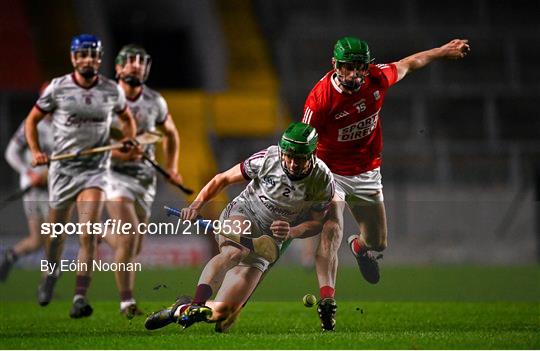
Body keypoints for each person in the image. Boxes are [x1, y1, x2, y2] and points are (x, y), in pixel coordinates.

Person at [302, 36, 471, 330]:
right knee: (332, 227)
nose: (354, 74)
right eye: (347, 68)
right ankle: (328, 301)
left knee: (378, 241)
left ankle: (360, 248)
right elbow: (302, 143)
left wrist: (443, 51)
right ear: (335, 66)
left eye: (359, 67)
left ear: (367, 67)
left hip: (367, 171)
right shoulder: (320, 100)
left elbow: (410, 63)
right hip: (329, 171)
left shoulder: (377, 78)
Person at [144, 122, 334, 333]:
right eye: (288, 155)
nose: (292, 163)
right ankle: (197, 302)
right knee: (235, 251)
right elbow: (222, 179)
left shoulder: (322, 180)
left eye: (299, 158)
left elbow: (317, 223)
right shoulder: (267, 159)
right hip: (244, 213)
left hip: (269, 243)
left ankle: (179, 308)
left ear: (313, 154)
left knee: (220, 314)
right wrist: (196, 205)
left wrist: (292, 232)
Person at [25, 34, 136, 318]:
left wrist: (129, 138)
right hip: (63, 171)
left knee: (88, 232)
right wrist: (37, 151)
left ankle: (79, 297)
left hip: (94, 171)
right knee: (56, 236)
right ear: (74, 58)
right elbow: (32, 120)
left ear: (99, 58)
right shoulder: (58, 88)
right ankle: (50, 275)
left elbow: (127, 119)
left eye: (92, 54)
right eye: (81, 54)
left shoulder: (111, 90)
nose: (87, 59)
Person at [103, 44, 183, 318]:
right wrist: (120, 153)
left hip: (145, 179)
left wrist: (172, 167)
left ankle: (101, 232)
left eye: (141, 62)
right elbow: (94, 144)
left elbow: (171, 134)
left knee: (134, 243)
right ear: (118, 68)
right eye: (130, 61)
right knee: (129, 234)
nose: (136, 66)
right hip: (113, 175)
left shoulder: (155, 101)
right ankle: (127, 302)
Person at [0, 114, 53, 281]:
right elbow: (11, 153)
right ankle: (11, 256)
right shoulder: (30, 124)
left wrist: (49, 173)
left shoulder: (65, 124)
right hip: (32, 191)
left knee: (51, 236)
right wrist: (28, 173)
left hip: (53, 190)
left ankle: (46, 283)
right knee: (38, 239)